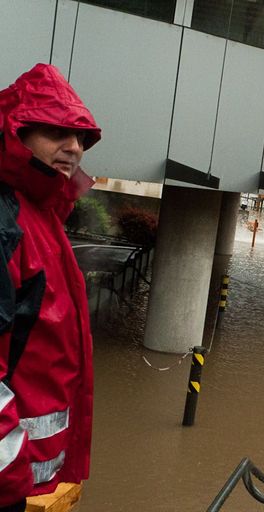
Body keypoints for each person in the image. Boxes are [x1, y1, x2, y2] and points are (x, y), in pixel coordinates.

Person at [0, 64, 101, 510]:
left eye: (81, 137)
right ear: (17, 133)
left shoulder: (42, 212)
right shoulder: (8, 222)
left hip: (33, 483)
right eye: (58, 132)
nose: (74, 147)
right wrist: (12, 484)